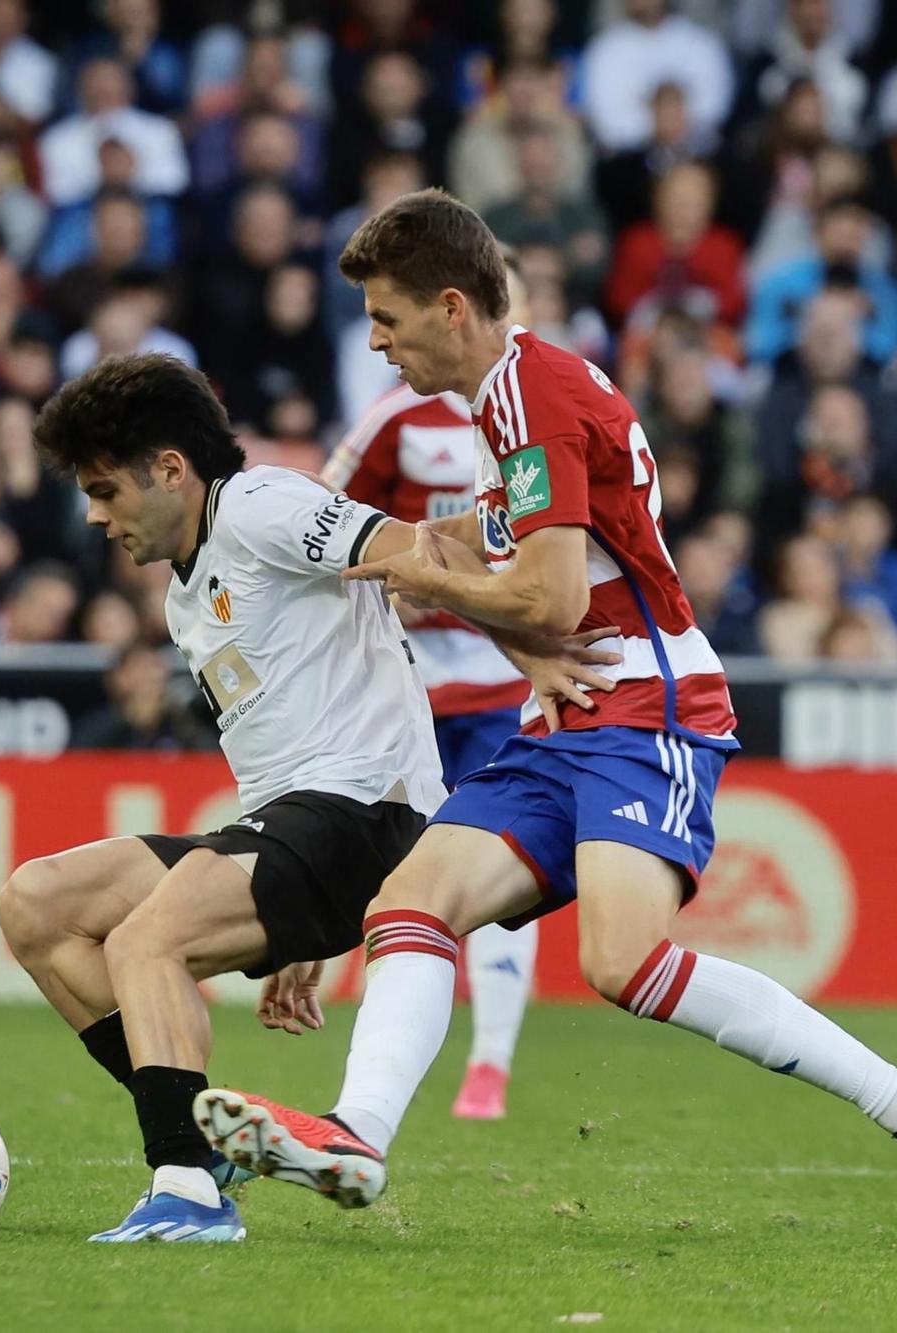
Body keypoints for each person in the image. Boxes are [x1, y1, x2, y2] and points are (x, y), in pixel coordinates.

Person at [193, 189, 897, 1247]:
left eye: (386, 317)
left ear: (450, 307)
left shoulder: (529, 395)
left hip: (647, 703)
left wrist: (425, 581)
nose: (377, 341)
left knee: (621, 963)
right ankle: (355, 1132)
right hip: (565, 713)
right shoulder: (505, 398)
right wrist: (424, 559)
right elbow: (500, 561)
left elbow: (551, 600)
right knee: (411, 900)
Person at [0, 353, 611, 1244]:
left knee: (146, 939)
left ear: (171, 469)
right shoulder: (184, 590)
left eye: (105, 490)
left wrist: (524, 650)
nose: (96, 517)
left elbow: (416, 551)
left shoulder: (262, 506)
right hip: (292, 821)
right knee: (36, 904)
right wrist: (279, 913)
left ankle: (186, 1187)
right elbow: (271, 747)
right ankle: (195, 1140)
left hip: (370, 812)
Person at [319, 260, 541, 1123]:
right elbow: (327, 520)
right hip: (411, 688)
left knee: (496, 883)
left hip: (501, 683)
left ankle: (490, 1063)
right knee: (396, 876)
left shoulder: (534, 411)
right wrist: (390, 581)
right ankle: (382, 1072)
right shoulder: (397, 419)